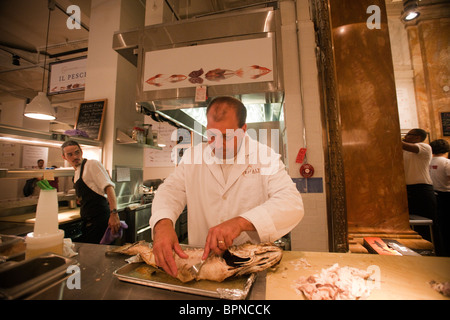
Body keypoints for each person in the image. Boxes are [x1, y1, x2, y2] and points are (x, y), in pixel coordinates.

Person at [150, 96, 304, 277]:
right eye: (212, 135)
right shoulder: (194, 156)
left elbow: (291, 203)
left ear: (243, 129)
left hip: (249, 264)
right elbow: (170, 190)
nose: (218, 144)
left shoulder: (264, 156)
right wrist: (162, 224)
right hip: (201, 264)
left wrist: (241, 222)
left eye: (226, 136)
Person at [61, 140, 120, 243]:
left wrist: (114, 214)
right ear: (64, 157)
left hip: (100, 221)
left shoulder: (92, 164)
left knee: (99, 255)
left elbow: (109, 188)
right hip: (89, 221)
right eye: (70, 154)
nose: (75, 156)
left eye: (77, 152)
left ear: (81, 152)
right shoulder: (76, 173)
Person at [402, 128, 440, 252]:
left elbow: (403, 145)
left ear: (417, 137)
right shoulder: (404, 150)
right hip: (407, 189)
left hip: (422, 190)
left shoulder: (424, 147)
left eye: (408, 134)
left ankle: (435, 249)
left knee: (429, 223)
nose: (406, 136)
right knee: (413, 225)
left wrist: (389, 136)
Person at [429, 139, 450, 256]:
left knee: (439, 224)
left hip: (433, 193)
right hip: (446, 195)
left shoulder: (428, 161)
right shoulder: (447, 163)